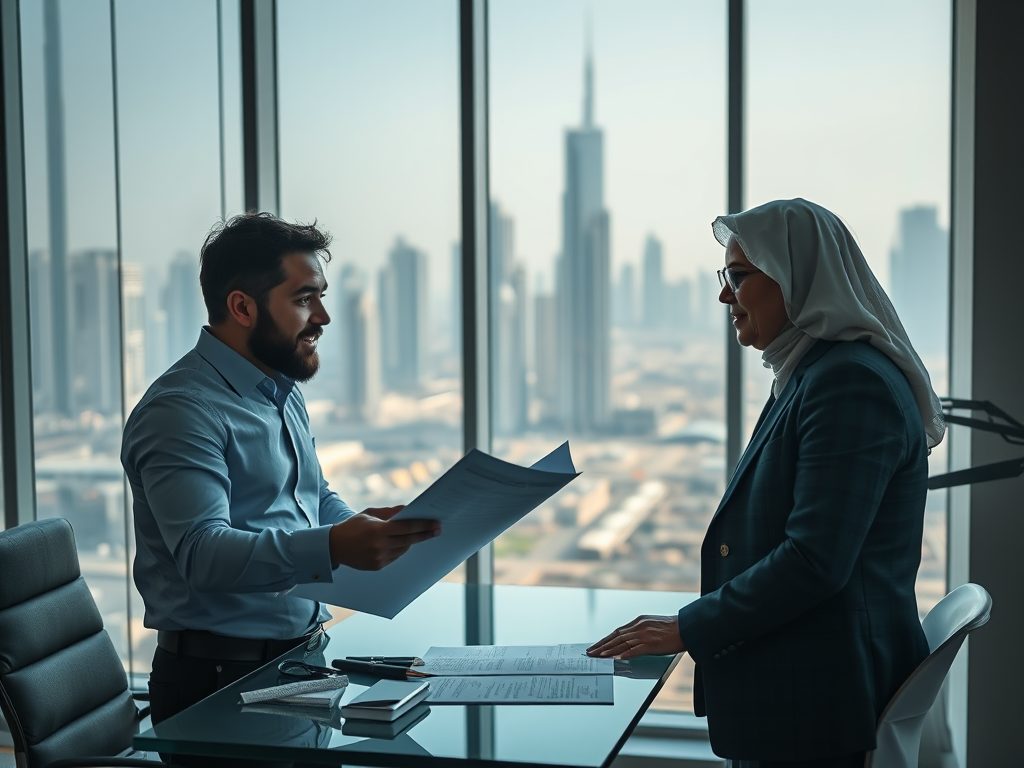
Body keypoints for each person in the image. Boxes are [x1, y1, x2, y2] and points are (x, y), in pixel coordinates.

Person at [587, 198, 945, 768]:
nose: (725, 296)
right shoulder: (811, 373)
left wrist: (687, 627)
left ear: (796, 277)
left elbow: (813, 561)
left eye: (738, 276)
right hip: (810, 689)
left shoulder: (849, 383)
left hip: (819, 704)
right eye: (724, 277)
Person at [121, 213, 441, 726]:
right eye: (303, 299)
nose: (323, 317)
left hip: (301, 665)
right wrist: (335, 546)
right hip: (218, 680)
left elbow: (308, 496)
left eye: (321, 296)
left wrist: (360, 529)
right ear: (242, 307)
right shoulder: (181, 411)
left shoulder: (278, 390)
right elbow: (203, 554)